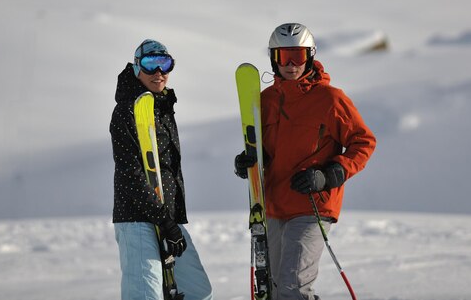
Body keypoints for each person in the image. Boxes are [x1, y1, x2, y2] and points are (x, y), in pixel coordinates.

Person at [235, 23, 376, 300]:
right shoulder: (265, 100)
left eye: (298, 57)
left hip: (313, 204)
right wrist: (246, 163)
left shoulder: (330, 99)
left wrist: (329, 175)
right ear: (274, 59)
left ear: (310, 56)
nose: (291, 65)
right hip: (274, 205)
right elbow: (263, 150)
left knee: (293, 286)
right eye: (283, 57)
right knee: (273, 288)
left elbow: (364, 142)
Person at [110, 39, 213, 300]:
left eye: (164, 65)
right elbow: (130, 173)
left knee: (199, 292)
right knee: (145, 295)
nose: (158, 73)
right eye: (150, 65)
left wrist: (170, 220)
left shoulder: (163, 108)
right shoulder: (126, 111)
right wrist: (163, 219)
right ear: (136, 68)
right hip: (137, 218)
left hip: (168, 217)